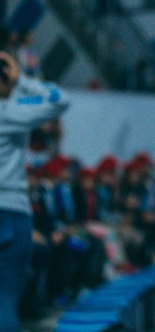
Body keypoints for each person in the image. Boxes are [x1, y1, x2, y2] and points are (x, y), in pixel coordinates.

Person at [0, 51, 70, 331]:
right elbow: (59, 100)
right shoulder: (11, 110)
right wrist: (21, 80)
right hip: (11, 213)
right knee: (6, 299)